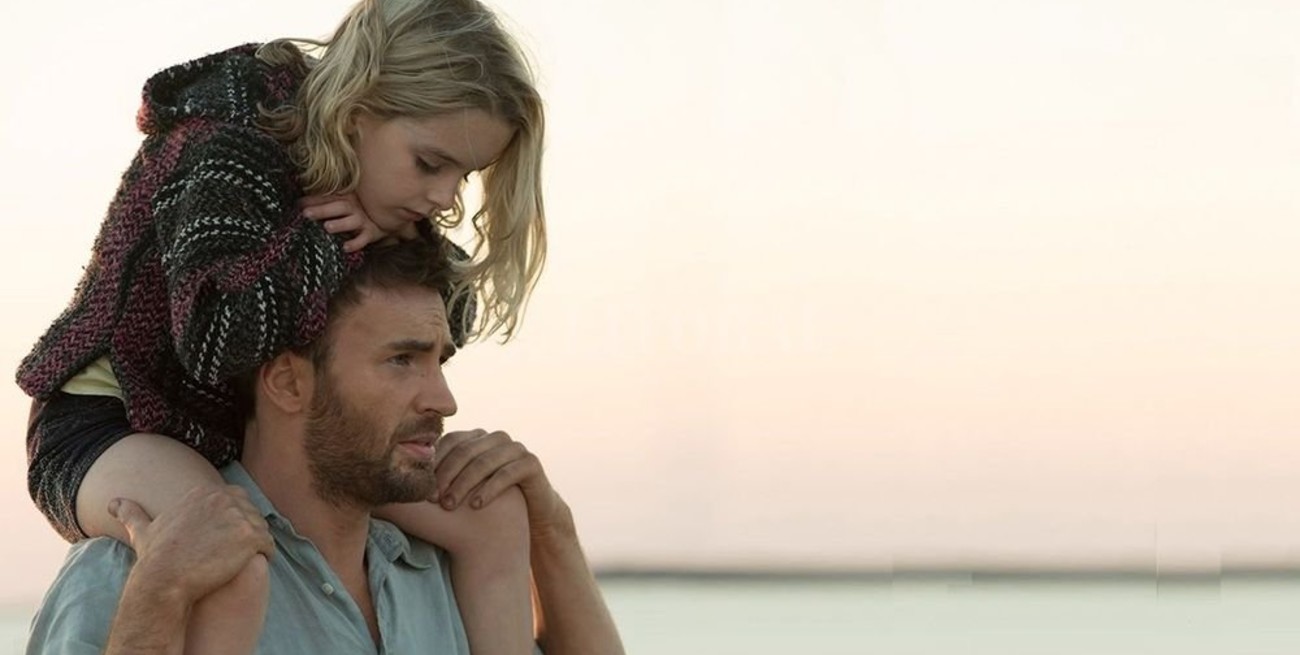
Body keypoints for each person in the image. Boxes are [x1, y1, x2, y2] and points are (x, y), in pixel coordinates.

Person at [17, 0, 548, 652]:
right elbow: (213, 341)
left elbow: (444, 310)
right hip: (110, 422)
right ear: (357, 113)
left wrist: (383, 236)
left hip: (225, 433)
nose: (443, 196)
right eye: (430, 164)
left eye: (464, 176)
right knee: (230, 557)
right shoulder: (222, 149)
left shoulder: (373, 195)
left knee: (492, 518)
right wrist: (329, 244)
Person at [26, 235, 624, 654]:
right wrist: (156, 603)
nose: (444, 401)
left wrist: (552, 529)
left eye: (439, 362)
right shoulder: (138, 569)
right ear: (288, 382)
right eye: (401, 360)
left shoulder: (446, 574)